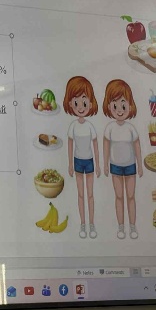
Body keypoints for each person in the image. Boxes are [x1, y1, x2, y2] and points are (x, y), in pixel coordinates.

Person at [102, 79, 143, 240]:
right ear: (109, 106)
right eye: (115, 105)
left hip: (131, 165)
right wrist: (105, 164)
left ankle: (132, 226)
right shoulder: (110, 128)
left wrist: (140, 165)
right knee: (119, 197)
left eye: (123, 105)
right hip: (115, 166)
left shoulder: (131, 128)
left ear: (130, 106)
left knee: (131, 196)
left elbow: (137, 146)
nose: (119, 110)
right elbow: (106, 146)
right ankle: (121, 226)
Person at [64, 76, 100, 239]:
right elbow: (70, 145)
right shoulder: (72, 126)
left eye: (84, 102)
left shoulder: (90, 126)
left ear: (90, 104)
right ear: (70, 104)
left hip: (89, 161)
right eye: (76, 102)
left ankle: (92, 223)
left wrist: (98, 165)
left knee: (90, 194)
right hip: (78, 161)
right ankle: (82, 223)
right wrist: (70, 164)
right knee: (80, 195)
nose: (80, 107)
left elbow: (96, 146)